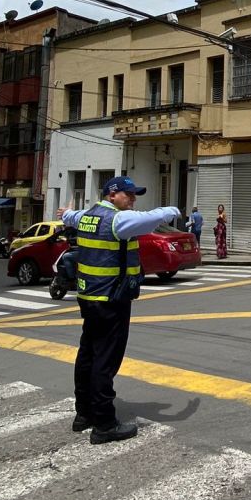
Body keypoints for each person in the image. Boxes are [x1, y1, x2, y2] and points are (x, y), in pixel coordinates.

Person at [57, 176, 180, 445]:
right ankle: (104, 424)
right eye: (128, 194)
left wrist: (65, 213)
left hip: (88, 296)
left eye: (134, 194)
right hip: (111, 300)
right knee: (105, 361)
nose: (133, 199)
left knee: (88, 354)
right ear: (112, 195)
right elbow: (151, 218)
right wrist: (173, 210)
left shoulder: (87, 216)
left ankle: (84, 414)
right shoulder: (117, 221)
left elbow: (71, 217)